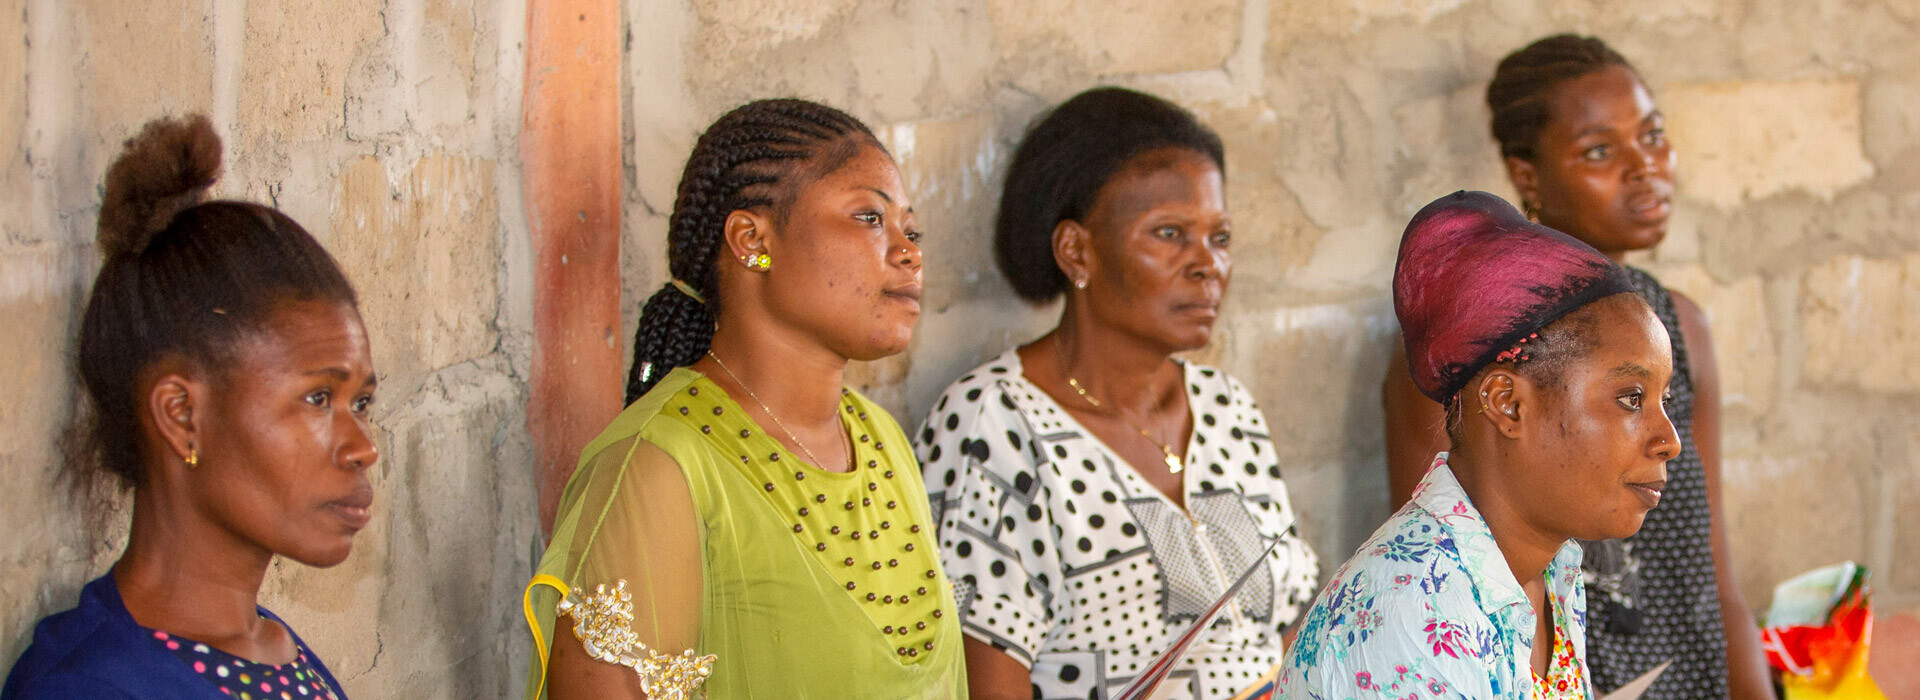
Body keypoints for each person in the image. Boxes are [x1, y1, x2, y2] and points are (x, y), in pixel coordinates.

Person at [522, 98, 965, 700]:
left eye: (910, 230)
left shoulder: (880, 437)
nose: (908, 251)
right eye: (869, 218)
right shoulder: (658, 465)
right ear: (751, 239)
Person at [1380, 34, 1773, 700]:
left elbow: (1715, 572)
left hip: (1688, 670)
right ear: (1528, 177)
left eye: (1652, 136)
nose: (1644, 167)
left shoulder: (1681, 326)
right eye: (1599, 151)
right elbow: (1447, 565)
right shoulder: (1472, 350)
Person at [916, 87, 1319, 700]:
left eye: (1221, 237)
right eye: (1169, 233)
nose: (1207, 264)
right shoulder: (994, 424)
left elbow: (1292, 629)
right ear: (1077, 251)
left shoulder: (1225, 405)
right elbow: (987, 681)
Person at [3, 115, 371, 699]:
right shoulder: (91, 689)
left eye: (362, 402)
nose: (363, 446)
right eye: (319, 398)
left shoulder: (274, 651)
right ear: (181, 416)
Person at [1283, 190, 1680, 697]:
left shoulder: (1547, 573)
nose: (1669, 441)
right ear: (1508, 404)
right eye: (1631, 398)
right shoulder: (1416, 616)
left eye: (1663, 399)